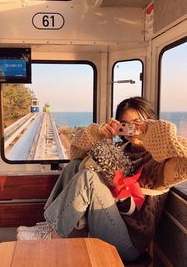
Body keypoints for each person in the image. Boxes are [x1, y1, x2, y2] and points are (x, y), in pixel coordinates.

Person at [17, 96, 187, 262]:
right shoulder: (121, 149)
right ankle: (51, 227)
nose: (132, 128)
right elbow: (74, 153)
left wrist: (151, 132)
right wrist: (99, 133)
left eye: (138, 122)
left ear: (151, 121)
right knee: (76, 165)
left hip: (129, 243)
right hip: (104, 222)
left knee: (89, 178)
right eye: (126, 124)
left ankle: (54, 234)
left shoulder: (160, 161)